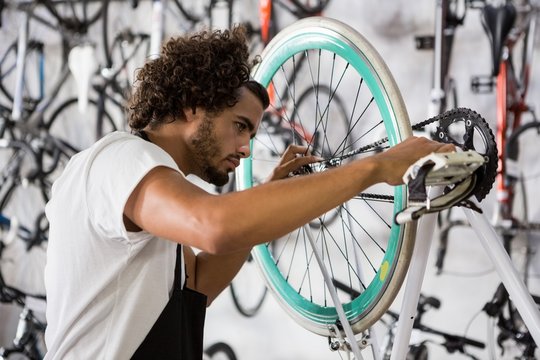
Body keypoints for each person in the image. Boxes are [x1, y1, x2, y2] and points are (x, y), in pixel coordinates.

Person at [43, 26, 455, 360]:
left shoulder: (161, 191)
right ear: (193, 106)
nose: (246, 147)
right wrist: (375, 167)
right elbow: (215, 225)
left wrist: (273, 196)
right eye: (240, 126)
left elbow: (197, 287)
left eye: (252, 133)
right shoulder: (121, 159)